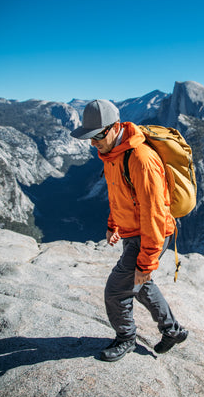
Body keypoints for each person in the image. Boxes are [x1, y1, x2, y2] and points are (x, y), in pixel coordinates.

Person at [71, 99, 188, 362]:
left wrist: (146, 259)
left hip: (149, 235)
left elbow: (155, 216)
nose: (93, 144)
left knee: (116, 291)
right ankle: (173, 330)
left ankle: (126, 338)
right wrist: (114, 225)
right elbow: (119, 196)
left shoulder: (140, 159)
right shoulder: (112, 153)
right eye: (89, 138)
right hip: (133, 232)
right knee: (141, 285)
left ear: (114, 127)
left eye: (97, 136)